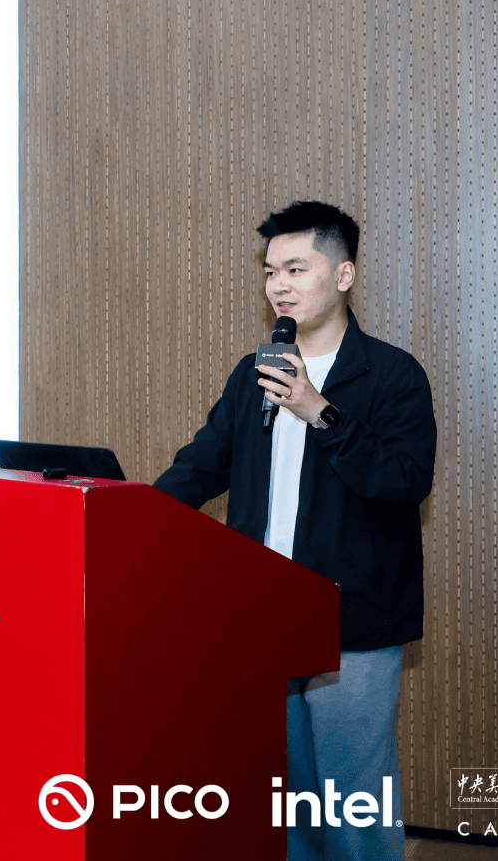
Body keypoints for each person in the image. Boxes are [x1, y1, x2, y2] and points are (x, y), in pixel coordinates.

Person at [153, 201, 436, 861]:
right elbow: (199, 467)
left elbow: (404, 481)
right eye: (270, 271)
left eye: (296, 269)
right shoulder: (253, 373)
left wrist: (318, 410)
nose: (278, 285)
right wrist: (134, 514)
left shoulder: (393, 375)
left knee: (354, 800)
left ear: (343, 274)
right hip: (263, 613)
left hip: (353, 619)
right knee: (289, 801)